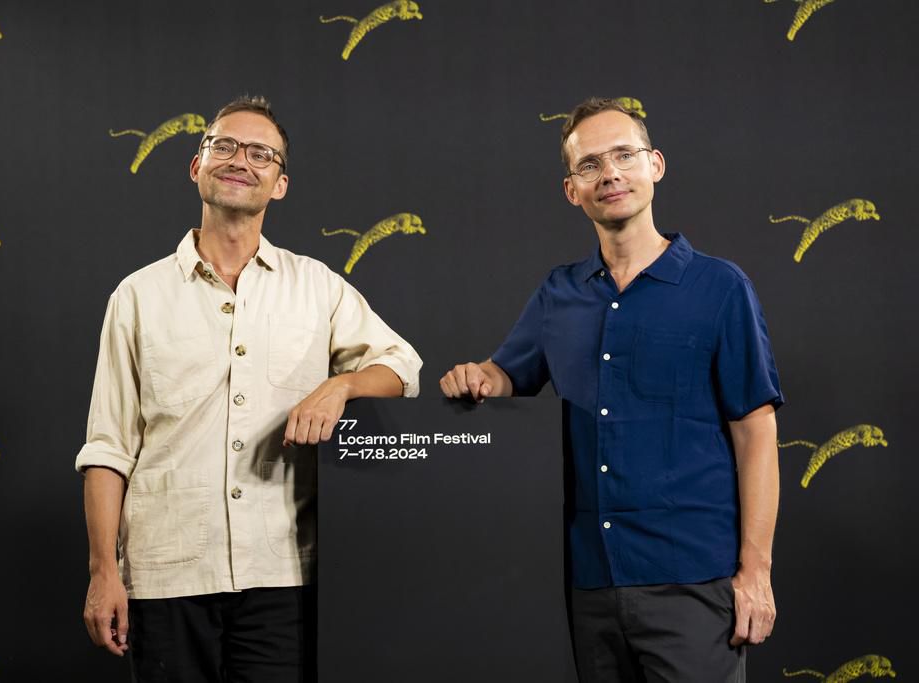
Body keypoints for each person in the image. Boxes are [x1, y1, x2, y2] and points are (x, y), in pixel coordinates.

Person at [76, 95, 422, 682]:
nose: (241, 160)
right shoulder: (136, 296)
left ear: (279, 184)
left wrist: (340, 385)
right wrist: (104, 571)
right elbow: (108, 449)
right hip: (167, 576)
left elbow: (401, 366)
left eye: (261, 154)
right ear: (196, 165)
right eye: (224, 146)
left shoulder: (316, 286)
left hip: (283, 577)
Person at [439, 97, 782, 682]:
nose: (611, 174)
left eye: (624, 155)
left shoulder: (720, 287)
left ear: (656, 165)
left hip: (693, 579)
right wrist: (477, 377)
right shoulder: (558, 292)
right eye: (590, 165)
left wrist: (755, 573)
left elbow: (755, 435)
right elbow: (505, 377)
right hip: (589, 584)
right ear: (572, 189)